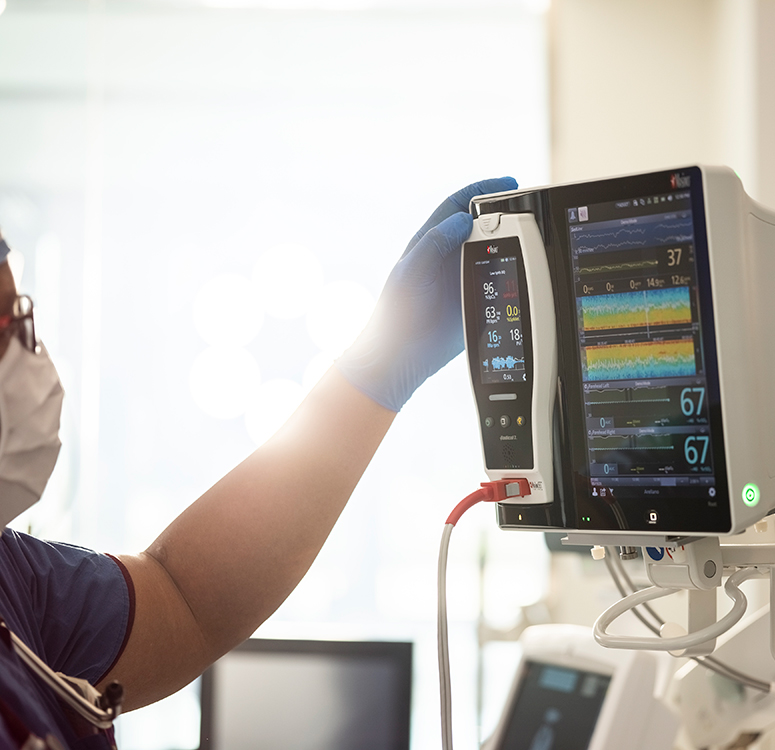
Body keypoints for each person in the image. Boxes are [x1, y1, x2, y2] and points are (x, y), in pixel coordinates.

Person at [0, 176, 517, 748]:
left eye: (22, 315)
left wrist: (373, 375)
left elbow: (183, 599)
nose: (28, 352)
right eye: (3, 324)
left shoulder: (12, 577)